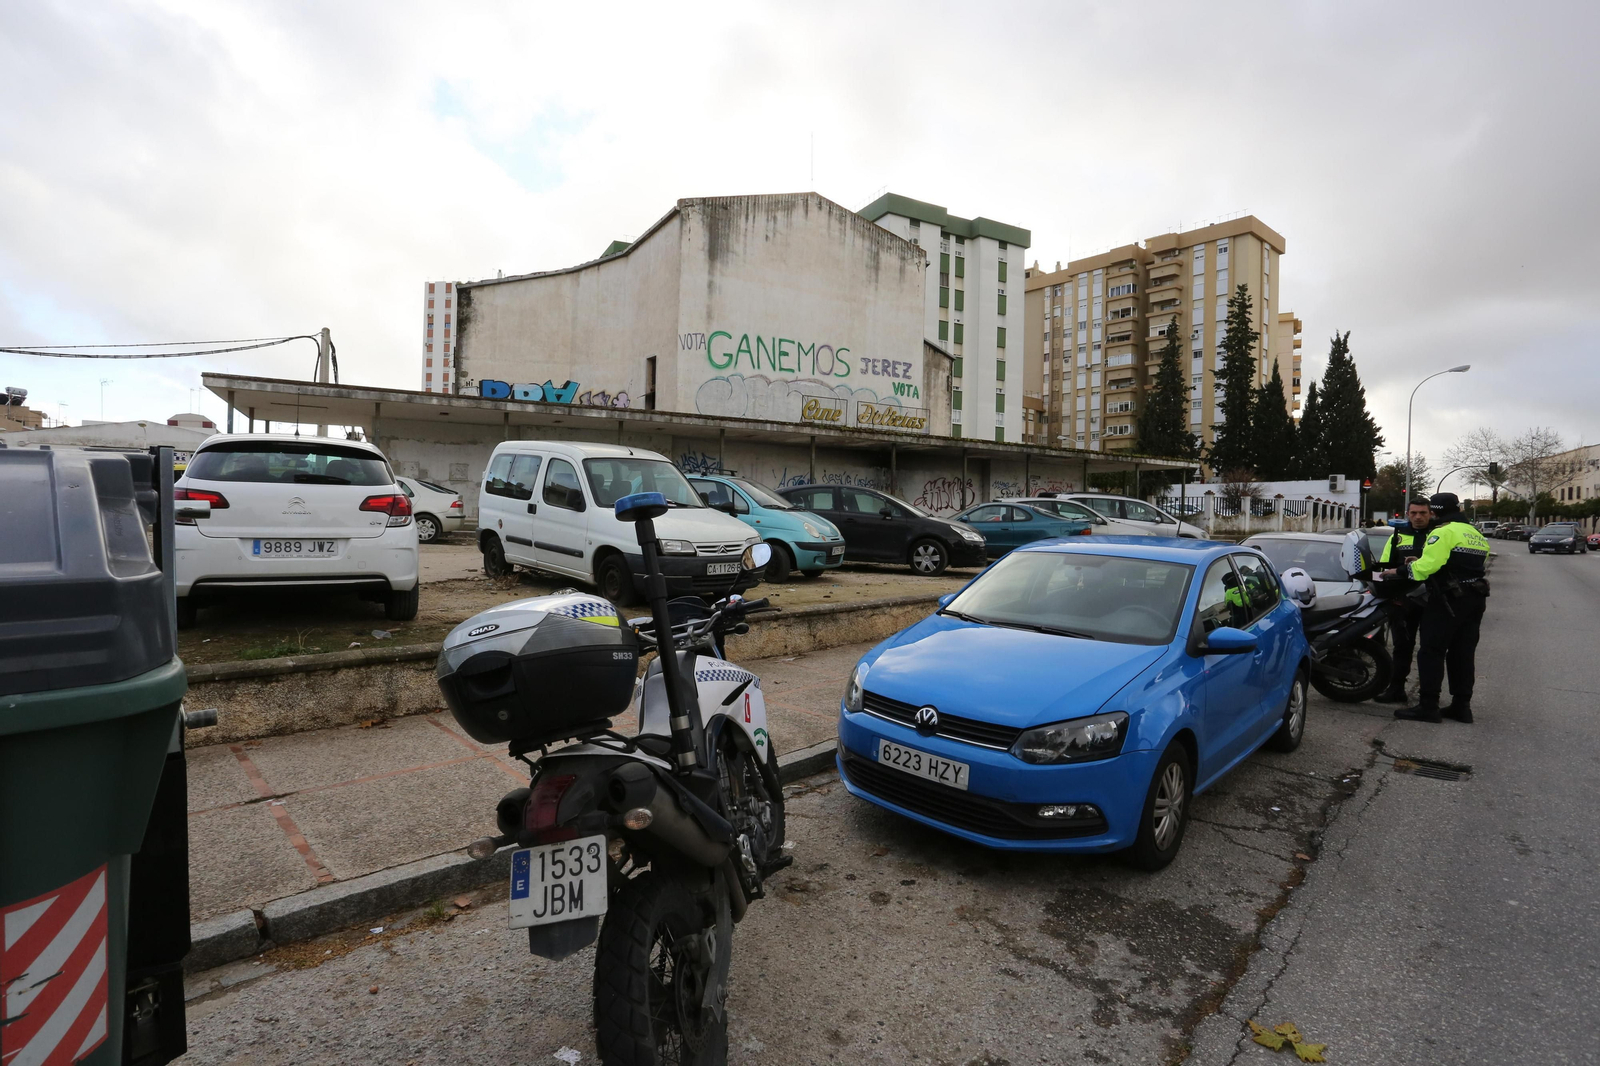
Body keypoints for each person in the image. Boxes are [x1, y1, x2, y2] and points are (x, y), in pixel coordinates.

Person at [1382, 493, 1490, 723]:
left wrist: (1397, 572)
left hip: (1448, 599)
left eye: (1429, 511)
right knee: (1463, 653)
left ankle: (1428, 706)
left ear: (1435, 511)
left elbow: (1428, 566)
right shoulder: (1475, 534)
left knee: (1431, 651)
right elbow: (1474, 564)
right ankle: (1461, 706)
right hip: (1475, 599)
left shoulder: (1443, 531)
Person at [1371, 499, 1435, 704]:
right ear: (1407, 514)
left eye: (1422, 513)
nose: (1418, 517)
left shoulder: (1438, 535)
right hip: (1403, 601)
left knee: (1431, 648)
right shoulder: (1397, 536)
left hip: (1432, 601)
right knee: (1402, 647)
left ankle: (1428, 695)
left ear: (1430, 514)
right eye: (1414, 513)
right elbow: (1386, 566)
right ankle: (1396, 689)